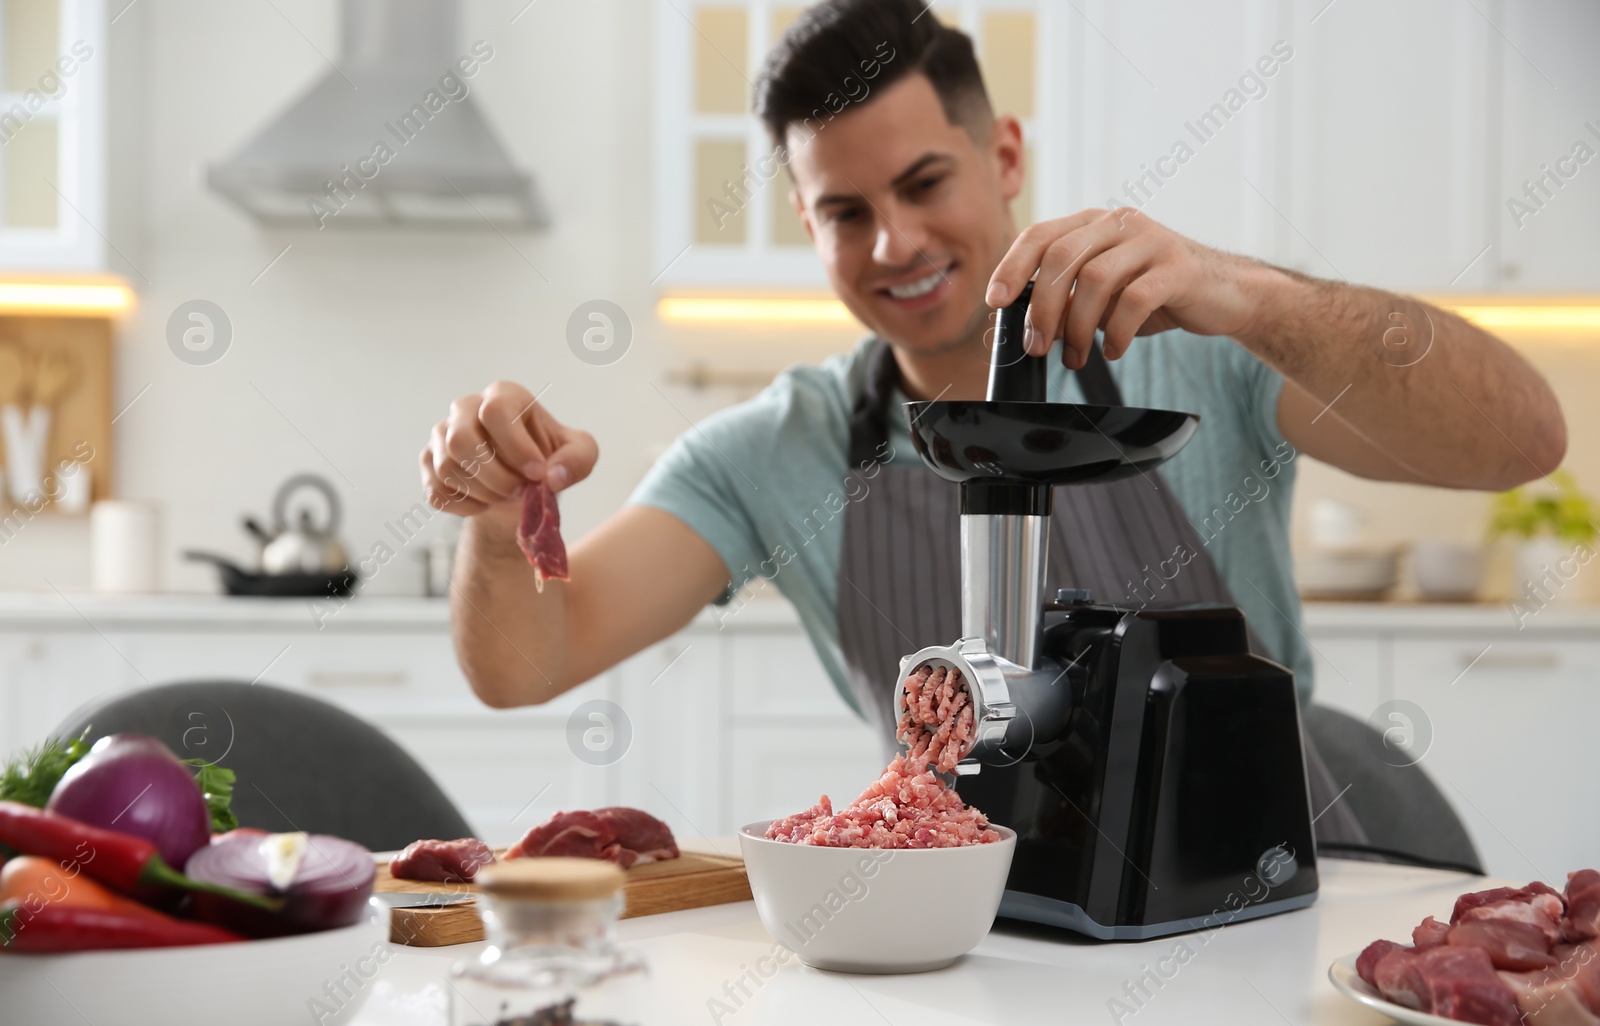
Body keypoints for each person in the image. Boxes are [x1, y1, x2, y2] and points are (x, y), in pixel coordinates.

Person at [419, 0, 1563, 850]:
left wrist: (1249, 292)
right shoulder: (780, 450)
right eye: (845, 212)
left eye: (924, 184)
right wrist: (492, 506)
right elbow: (532, 662)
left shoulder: (1200, 349)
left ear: (1003, 155)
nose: (894, 244)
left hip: (1268, 881)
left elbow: (1520, 440)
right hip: (974, 922)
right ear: (810, 228)